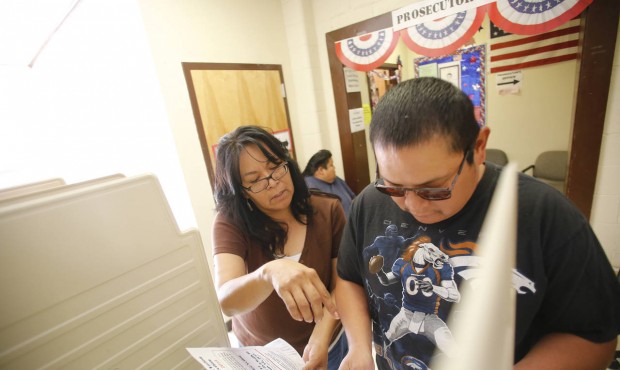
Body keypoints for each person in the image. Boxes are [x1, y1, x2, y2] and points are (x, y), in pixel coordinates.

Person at [335, 77, 620, 370]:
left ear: (479, 147)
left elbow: (594, 336)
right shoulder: (369, 203)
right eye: (394, 187)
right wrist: (358, 346)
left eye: (434, 189)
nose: (413, 205)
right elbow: (348, 278)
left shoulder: (544, 215)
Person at [211, 125, 348, 370]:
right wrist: (268, 273)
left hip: (328, 344)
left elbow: (343, 283)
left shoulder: (327, 209)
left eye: (276, 167)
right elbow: (226, 300)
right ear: (241, 193)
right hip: (263, 355)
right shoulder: (230, 222)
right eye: (255, 180)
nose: (273, 182)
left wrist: (321, 334)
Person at [303, 149, 356, 215]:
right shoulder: (309, 187)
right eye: (331, 165)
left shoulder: (335, 179)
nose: (334, 167)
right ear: (321, 170)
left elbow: (353, 197)